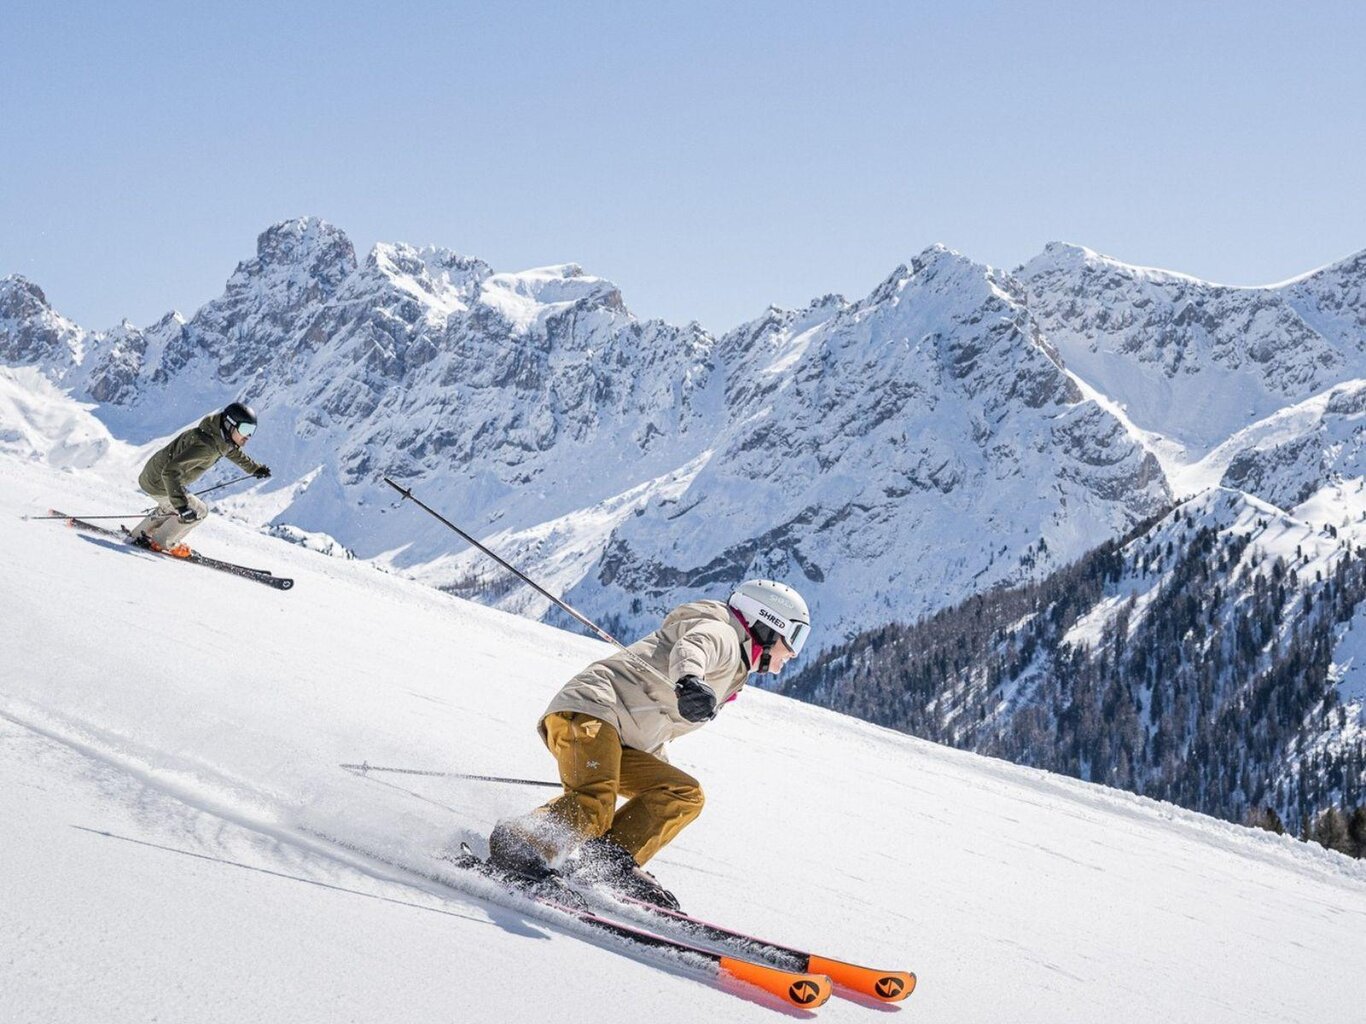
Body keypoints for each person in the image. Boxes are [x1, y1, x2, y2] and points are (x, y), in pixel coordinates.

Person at [487, 578, 811, 909]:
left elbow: (656, 720)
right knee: (595, 802)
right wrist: (690, 680)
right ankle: (522, 845)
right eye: (795, 637)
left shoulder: (734, 660)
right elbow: (693, 648)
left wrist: (655, 774)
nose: (794, 653)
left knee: (682, 793)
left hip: (618, 733)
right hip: (590, 712)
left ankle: (608, 862)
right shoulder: (724, 634)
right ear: (770, 623)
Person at [129, 401, 271, 556]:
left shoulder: (215, 436)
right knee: (197, 511)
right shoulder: (206, 447)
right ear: (230, 424)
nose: (248, 436)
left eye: (252, 430)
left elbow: (230, 451)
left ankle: (139, 534)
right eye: (245, 429)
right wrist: (182, 506)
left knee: (171, 506)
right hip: (159, 482)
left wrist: (254, 468)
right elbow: (169, 472)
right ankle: (161, 542)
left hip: (152, 476)